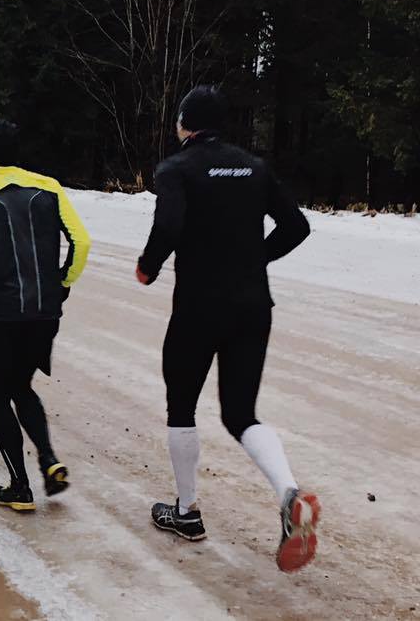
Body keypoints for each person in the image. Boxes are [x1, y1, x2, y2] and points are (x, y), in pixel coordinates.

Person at [137, 85, 319, 572]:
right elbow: (296, 226)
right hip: (253, 305)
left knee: (182, 404)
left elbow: (170, 223)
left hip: (198, 307)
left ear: (185, 124)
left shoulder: (176, 168)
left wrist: (148, 266)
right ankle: (288, 492)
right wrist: (254, 256)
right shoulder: (254, 167)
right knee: (240, 413)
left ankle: (187, 510)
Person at [0, 120, 91, 511]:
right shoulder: (50, 187)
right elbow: (82, 240)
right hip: (45, 310)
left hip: (2, 313)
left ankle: (19, 486)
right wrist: (64, 280)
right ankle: (48, 459)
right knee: (21, 386)